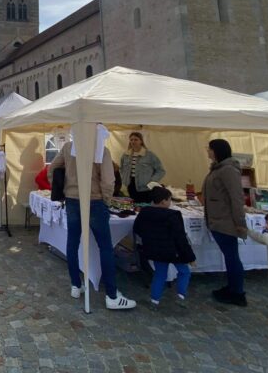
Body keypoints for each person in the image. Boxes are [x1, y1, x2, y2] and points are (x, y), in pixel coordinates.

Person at [48, 141, 137, 310]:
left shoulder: (69, 147)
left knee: (72, 243)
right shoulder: (100, 149)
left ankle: (75, 284)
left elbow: (52, 169)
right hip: (94, 200)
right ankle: (111, 295)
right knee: (105, 247)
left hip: (73, 200)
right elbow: (109, 180)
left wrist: (62, 189)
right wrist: (106, 198)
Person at [133, 186, 196, 309]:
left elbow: (137, 229)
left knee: (160, 274)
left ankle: (154, 300)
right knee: (184, 272)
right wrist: (190, 257)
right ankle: (181, 295)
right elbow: (180, 238)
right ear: (163, 201)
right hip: (174, 252)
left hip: (156, 250)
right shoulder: (173, 215)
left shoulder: (144, 212)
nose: (170, 202)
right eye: (169, 200)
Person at [203, 138, 248, 306]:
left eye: (209, 149)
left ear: (216, 151)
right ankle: (233, 287)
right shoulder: (219, 168)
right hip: (218, 219)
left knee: (232, 257)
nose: (207, 151)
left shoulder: (228, 170)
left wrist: (239, 223)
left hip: (225, 221)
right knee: (230, 256)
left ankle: (237, 292)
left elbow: (236, 198)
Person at [120, 132, 165, 203]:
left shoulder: (149, 155)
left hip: (145, 188)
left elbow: (161, 170)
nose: (133, 141)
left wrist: (152, 181)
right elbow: (121, 168)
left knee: (144, 206)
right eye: (131, 140)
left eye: (136, 139)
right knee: (133, 206)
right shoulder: (125, 155)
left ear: (141, 141)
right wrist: (123, 178)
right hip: (130, 186)